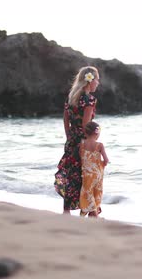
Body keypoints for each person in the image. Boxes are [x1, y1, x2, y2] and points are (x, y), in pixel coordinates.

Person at [54, 66, 100, 214]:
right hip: (83, 143)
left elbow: (65, 120)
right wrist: (91, 142)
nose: (98, 83)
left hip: (72, 142)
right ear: (90, 81)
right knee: (89, 177)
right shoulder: (89, 100)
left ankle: (66, 211)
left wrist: (69, 138)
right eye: (97, 80)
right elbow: (86, 125)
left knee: (72, 176)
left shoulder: (71, 97)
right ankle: (92, 212)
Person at [79, 121, 109, 217]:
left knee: (88, 193)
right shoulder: (99, 145)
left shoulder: (82, 144)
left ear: (85, 133)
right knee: (97, 192)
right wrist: (102, 165)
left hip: (87, 174)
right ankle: (93, 214)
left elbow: (81, 157)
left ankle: (93, 214)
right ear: (97, 133)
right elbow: (106, 160)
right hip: (98, 174)